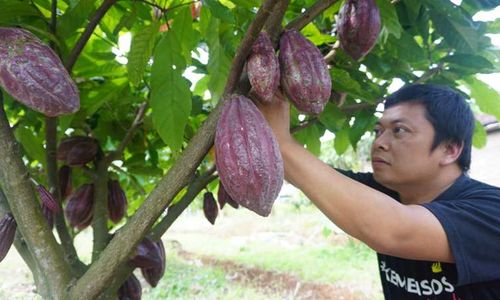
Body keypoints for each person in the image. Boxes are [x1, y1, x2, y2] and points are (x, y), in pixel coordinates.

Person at [257, 84, 500, 299]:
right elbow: (304, 174)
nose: (379, 143)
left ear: (449, 150)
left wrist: (282, 142)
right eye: (378, 131)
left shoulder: (491, 210)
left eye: (399, 131)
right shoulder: (385, 192)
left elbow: (394, 231)